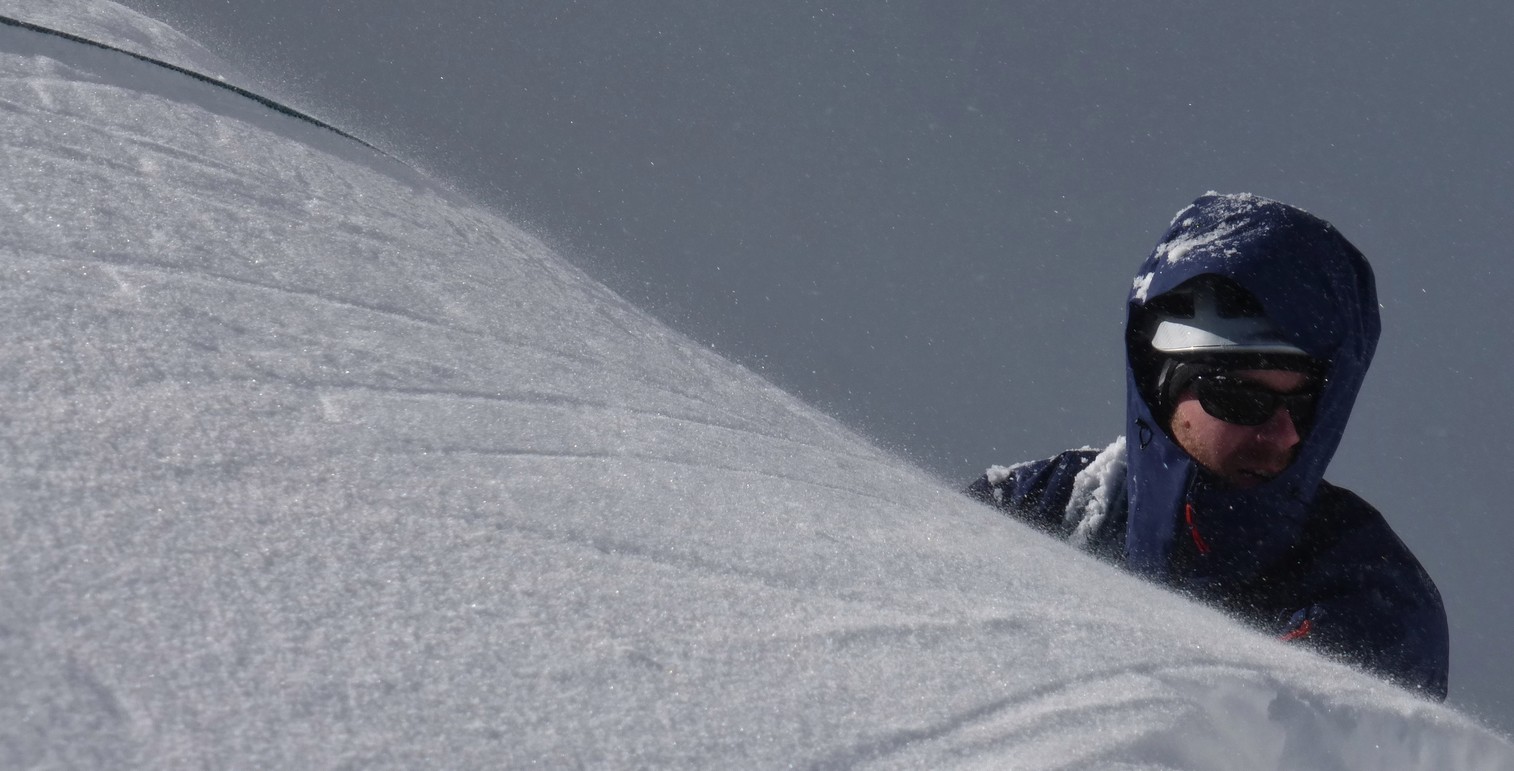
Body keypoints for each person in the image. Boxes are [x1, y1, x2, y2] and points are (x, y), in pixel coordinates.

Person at [969, 192, 1449, 699]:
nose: (1283, 433)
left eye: (1306, 407)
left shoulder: (1367, 593)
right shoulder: (1041, 504)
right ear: (1159, 388)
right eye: (1240, 399)